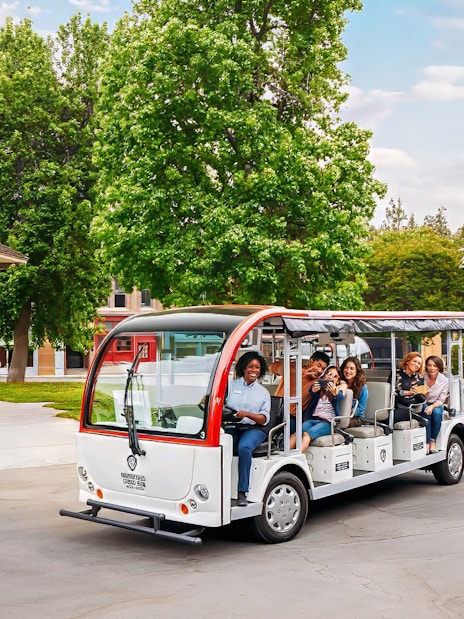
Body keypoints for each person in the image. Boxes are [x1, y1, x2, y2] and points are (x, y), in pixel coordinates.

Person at [225, 351, 271, 506]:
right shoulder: (231, 385)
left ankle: (242, 492)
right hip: (233, 425)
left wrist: (247, 414)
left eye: (257, 367)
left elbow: (264, 419)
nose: (254, 370)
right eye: (251, 366)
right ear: (244, 368)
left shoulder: (263, 393)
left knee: (244, 448)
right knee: (217, 444)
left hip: (255, 429)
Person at [290, 365, 347, 452]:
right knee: (296, 433)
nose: (330, 377)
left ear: (338, 380)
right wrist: (314, 389)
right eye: (328, 374)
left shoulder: (337, 391)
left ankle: (296, 457)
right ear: (324, 376)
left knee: (306, 435)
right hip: (313, 419)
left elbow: (340, 397)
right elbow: (311, 391)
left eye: (335, 376)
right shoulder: (319, 390)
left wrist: (335, 393)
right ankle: (284, 456)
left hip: (327, 423)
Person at [269, 351, 330, 432]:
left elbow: (334, 382)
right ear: (311, 361)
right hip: (274, 411)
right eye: (318, 365)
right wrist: (302, 373)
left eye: (323, 369)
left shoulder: (317, 382)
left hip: (292, 418)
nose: (319, 370)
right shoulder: (295, 369)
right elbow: (273, 366)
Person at [420, 355, 449, 454]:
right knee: (425, 410)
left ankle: (433, 440)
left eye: (435, 366)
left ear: (439, 367)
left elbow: (441, 399)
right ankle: (427, 443)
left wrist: (432, 406)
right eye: (429, 365)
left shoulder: (444, 380)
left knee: (436, 413)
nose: (431, 368)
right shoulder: (422, 377)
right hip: (423, 402)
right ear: (426, 366)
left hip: (436, 403)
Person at [394, 352, 427, 424]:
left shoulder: (419, 377)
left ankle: (414, 416)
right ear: (408, 361)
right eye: (414, 361)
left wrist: (421, 393)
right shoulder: (396, 373)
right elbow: (392, 391)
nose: (416, 364)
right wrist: (406, 393)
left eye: (419, 363)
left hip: (411, 405)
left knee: (395, 415)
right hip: (396, 403)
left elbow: (421, 399)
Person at [339, 356, 368, 426]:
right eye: (346, 368)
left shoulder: (362, 387)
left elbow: (361, 410)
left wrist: (347, 411)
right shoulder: (339, 382)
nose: (348, 371)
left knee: (340, 424)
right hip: (338, 415)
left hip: (355, 418)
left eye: (352, 369)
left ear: (357, 371)